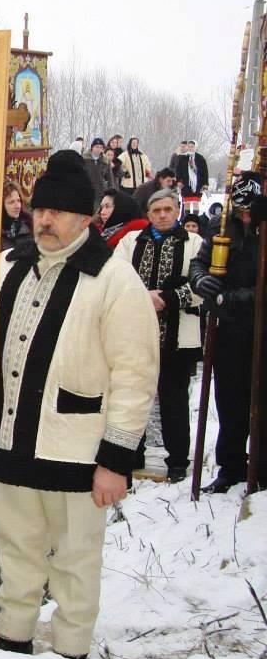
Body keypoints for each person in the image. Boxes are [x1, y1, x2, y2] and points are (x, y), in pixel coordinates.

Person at [0, 150, 159, 659]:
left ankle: (71, 648)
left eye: (59, 212)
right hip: (11, 437)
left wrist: (116, 460)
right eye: (42, 210)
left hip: (79, 447)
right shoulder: (6, 265)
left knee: (76, 557)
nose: (46, 219)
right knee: (15, 545)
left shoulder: (114, 280)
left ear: (86, 218)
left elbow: (135, 376)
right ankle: (15, 633)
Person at [115, 189, 203, 482]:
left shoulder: (194, 243)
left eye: (168, 209)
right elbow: (114, 276)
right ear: (148, 214)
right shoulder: (131, 242)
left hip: (175, 337)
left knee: (174, 399)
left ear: (177, 210)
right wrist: (143, 297)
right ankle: (131, 453)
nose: (163, 215)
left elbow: (203, 285)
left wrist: (167, 297)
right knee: (132, 396)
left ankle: (177, 460)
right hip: (135, 334)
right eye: (156, 210)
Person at [190, 172, 267, 493]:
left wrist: (232, 297)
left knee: (260, 400)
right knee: (229, 399)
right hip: (229, 328)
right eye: (241, 211)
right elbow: (200, 264)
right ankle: (231, 465)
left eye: (250, 211)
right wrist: (200, 280)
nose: (245, 216)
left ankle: (261, 467)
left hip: (260, 326)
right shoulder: (223, 229)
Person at [0, 180, 32, 251]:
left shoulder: (29, 226)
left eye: (18, 201)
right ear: (2, 205)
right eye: (11, 202)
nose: (17, 206)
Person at [83, 138, 110, 210]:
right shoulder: (84, 159)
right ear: (92, 147)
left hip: (100, 191)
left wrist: (111, 190)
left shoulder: (105, 160)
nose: (98, 149)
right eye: (97, 147)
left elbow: (110, 177)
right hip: (87, 190)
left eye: (101, 147)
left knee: (99, 212)